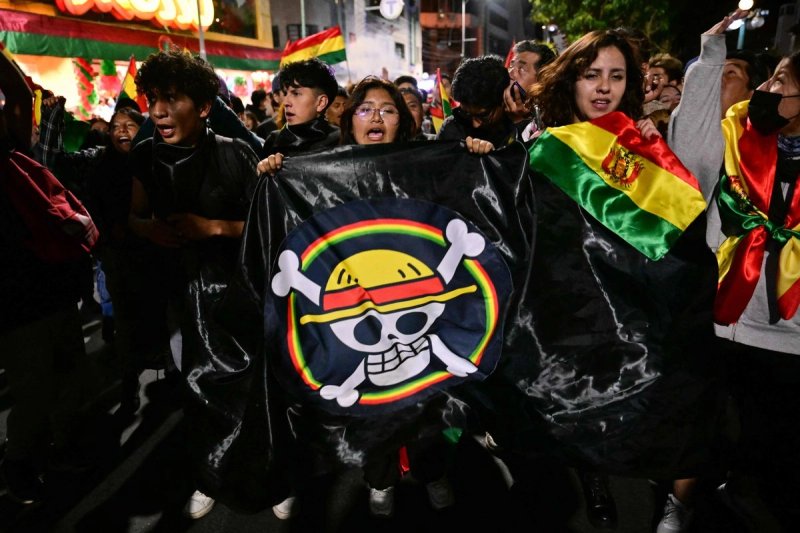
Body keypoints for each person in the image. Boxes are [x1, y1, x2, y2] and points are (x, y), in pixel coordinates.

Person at [526, 28, 719, 531]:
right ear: (571, 81)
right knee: (581, 403)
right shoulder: (545, 148)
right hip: (575, 307)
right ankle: (593, 478)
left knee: (677, 401)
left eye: (616, 75)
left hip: (639, 304)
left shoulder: (641, 142)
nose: (603, 87)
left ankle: (675, 498)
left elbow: (680, 225)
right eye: (592, 75)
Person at [665, 10, 800, 533]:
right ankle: (684, 503)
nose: (767, 88)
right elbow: (688, 148)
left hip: (789, 339)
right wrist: (710, 56)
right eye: (768, 77)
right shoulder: (734, 137)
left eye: (780, 82)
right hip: (728, 318)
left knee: (772, 448)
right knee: (705, 425)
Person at [128, 49, 260, 521]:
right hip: (181, 296)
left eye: (171, 99)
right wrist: (148, 229)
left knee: (251, 389)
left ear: (203, 107)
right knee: (198, 391)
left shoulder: (236, 152)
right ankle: (210, 477)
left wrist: (214, 228)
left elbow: (268, 224)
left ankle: (268, 477)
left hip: (241, 293)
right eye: (152, 100)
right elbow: (135, 216)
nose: (158, 111)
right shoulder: (145, 155)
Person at [259, 58, 339, 159]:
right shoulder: (274, 142)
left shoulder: (342, 142)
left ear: (321, 102)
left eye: (296, 94)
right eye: (285, 93)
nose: (286, 102)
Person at [436, 55, 519, 148]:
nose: (475, 125)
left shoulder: (518, 126)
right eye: (466, 114)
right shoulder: (451, 129)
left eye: (483, 115)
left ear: (504, 99)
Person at [505, 40, 556, 139]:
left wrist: (518, 122)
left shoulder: (552, 124)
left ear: (542, 80)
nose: (510, 72)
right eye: (511, 65)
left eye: (521, 69)